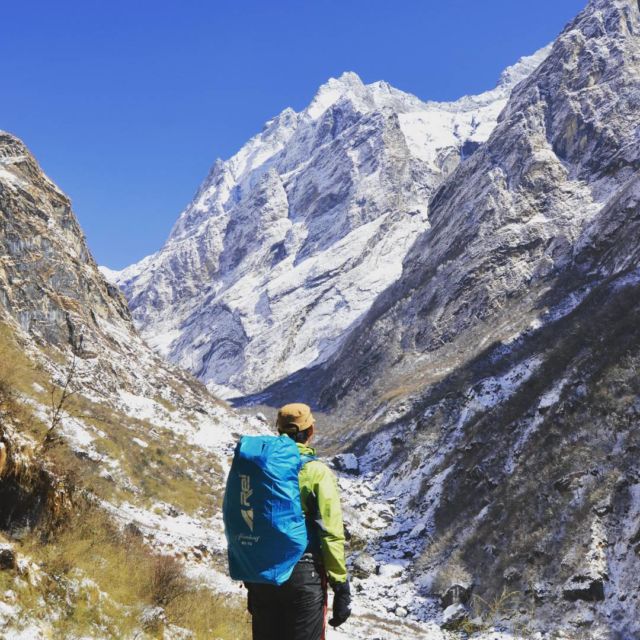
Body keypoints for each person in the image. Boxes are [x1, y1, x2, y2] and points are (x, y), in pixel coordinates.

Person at [245, 402, 351, 640]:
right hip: (303, 574)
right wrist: (340, 585)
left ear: (279, 431)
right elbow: (330, 532)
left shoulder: (260, 467)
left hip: (263, 573)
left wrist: (251, 579)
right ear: (310, 432)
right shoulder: (316, 472)